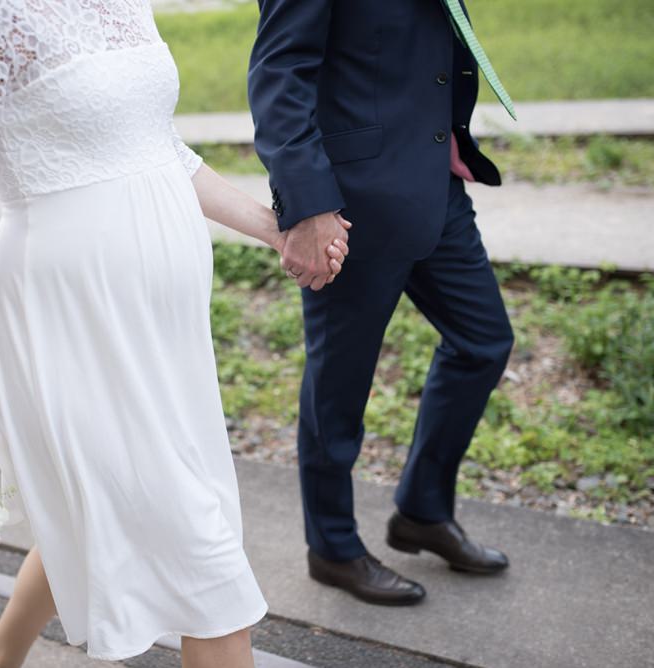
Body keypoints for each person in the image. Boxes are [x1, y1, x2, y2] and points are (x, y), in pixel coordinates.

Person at [0, 0, 350, 666]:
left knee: (111, 504)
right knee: (199, 549)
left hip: (162, 326)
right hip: (70, 318)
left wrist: (275, 227)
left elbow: (155, 145)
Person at [247, 0, 516, 606]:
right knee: (339, 389)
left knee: (484, 342)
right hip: (350, 202)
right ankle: (333, 548)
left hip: (433, 187)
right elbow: (278, 71)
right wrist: (311, 206)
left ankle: (421, 510)